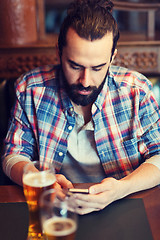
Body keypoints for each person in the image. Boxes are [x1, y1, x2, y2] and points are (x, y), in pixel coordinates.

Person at [2, 0, 160, 215]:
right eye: (75, 66)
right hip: (53, 209)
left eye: (98, 68)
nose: (86, 81)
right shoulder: (31, 89)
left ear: (112, 57)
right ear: (59, 52)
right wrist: (35, 177)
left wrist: (122, 188)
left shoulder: (137, 90)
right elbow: (13, 155)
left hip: (124, 206)